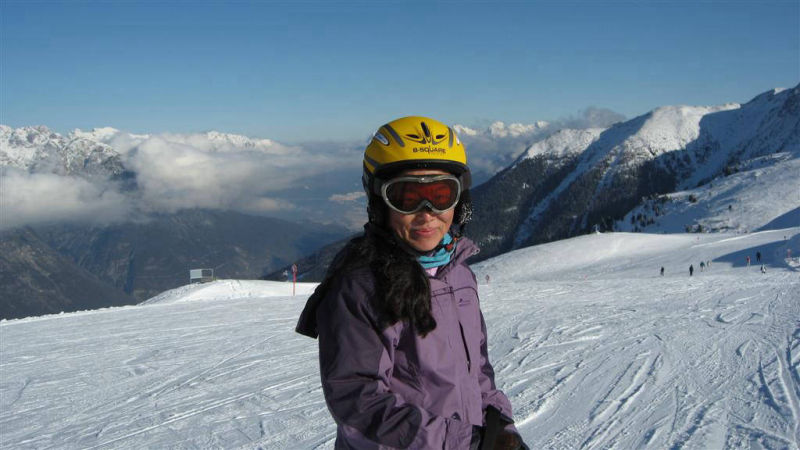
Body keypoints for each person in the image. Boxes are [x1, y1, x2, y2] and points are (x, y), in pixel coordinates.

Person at [296, 116, 527, 449]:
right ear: (379, 202)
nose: (426, 213)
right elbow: (358, 400)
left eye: (441, 194)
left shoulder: (460, 275)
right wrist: (463, 442)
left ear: (459, 199)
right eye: (406, 197)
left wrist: (500, 423)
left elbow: (476, 369)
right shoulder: (362, 287)